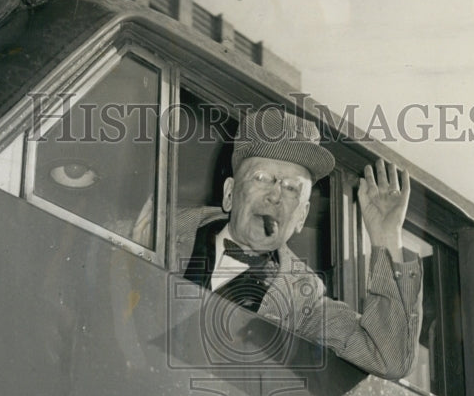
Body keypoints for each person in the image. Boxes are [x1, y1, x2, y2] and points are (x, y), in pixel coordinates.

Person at [175, 107, 422, 380]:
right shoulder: (155, 230)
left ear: (302, 216)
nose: (275, 195)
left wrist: (386, 238)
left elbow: (389, 358)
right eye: (261, 178)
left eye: (292, 188)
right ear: (230, 193)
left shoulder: (304, 301)